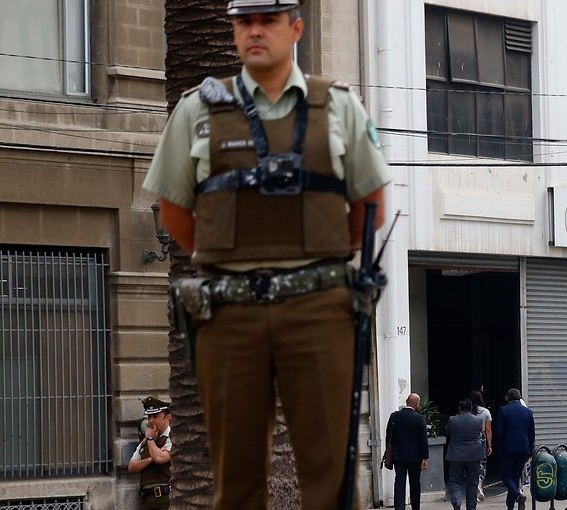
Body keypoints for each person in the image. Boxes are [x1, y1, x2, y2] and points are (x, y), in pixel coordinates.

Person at [142, 0, 391, 508]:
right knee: (235, 479)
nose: (256, 31)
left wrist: (315, 257)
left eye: (269, 19)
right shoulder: (197, 109)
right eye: (244, 22)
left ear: (295, 27)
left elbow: (371, 205)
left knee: (331, 477)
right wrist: (229, 257)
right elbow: (174, 212)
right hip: (231, 313)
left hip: (319, 310)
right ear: (233, 32)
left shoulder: (340, 106)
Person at [128, 396, 173, 509]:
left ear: (167, 417)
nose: (151, 420)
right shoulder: (146, 441)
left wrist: (151, 440)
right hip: (147, 500)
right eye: (149, 416)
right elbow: (132, 466)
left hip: (166, 499)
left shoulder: (172, 437)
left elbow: (160, 459)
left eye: (155, 416)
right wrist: (150, 459)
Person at [385, 393, 429, 510]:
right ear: (416, 404)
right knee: (415, 484)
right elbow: (423, 440)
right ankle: (415, 507)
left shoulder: (394, 416)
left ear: (406, 401)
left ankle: (399, 507)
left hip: (398, 456)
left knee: (399, 483)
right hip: (415, 458)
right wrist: (425, 457)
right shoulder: (420, 419)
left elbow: (389, 436)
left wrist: (389, 452)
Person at [494, 389, 535, 510]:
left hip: (508, 448)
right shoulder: (528, 412)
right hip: (523, 448)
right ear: (520, 397)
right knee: (515, 477)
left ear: (507, 398)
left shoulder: (503, 410)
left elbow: (499, 432)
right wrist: (530, 451)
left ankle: (517, 495)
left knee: (506, 475)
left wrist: (499, 447)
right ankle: (511, 505)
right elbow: (531, 433)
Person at [446, 398, 486, 510]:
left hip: (456, 455)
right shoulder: (478, 420)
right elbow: (479, 432)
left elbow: (447, 432)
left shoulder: (452, 420)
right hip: (474, 455)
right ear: (471, 408)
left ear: (459, 408)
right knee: (472, 483)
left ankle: (457, 501)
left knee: (454, 480)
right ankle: (471, 507)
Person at [470, 390, 493, 502]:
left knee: (470, 464)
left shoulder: (467, 411)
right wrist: (490, 445)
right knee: (482, 464)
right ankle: (479, 485)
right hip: (481, 441)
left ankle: (472, 487)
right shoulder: (485, 412)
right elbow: (488, 430)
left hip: (469, 441)